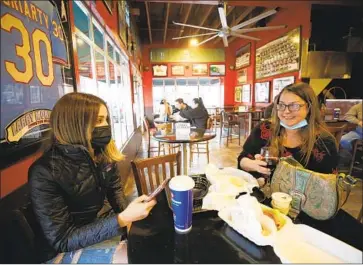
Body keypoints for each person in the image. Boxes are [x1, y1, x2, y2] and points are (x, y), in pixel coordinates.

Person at [28, 93, 156, 261]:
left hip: (96, 231)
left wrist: (129, 221)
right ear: (75, 125)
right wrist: (122, 219)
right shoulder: (44, 172)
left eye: (106, 119)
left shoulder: (103, 156)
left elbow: (116, 193)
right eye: (98, 120)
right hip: (60, 251)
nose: (106, 126)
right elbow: (62, 240)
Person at [237, 83, 338, 187]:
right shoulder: (264, 129)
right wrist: (250, 164)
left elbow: (328, 185)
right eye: (281, 105)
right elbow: (243, 158)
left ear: (309, 108)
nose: (286, 111)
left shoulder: (324, 142)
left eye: (294, 106)